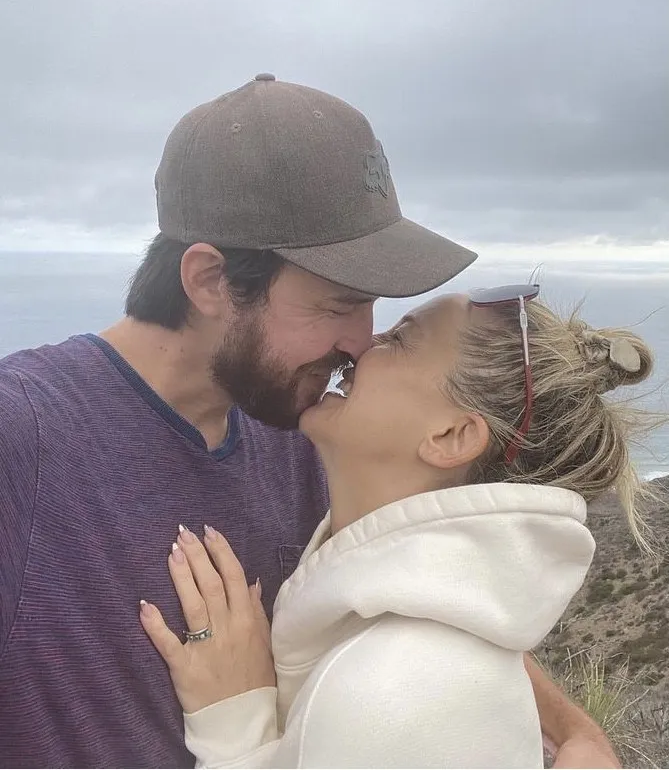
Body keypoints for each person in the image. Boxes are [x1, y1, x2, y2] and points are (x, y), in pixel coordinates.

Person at [0, 74, 615, 768]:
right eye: (336, 305)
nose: (361, 342)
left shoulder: (299, 426)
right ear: (210, 282)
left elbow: (417, 596)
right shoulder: (24, 439)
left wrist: (575, 732)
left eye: (373, 306)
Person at [141, 284, 655, 767]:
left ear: (451, 436)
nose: (363, 345)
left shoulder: (391, 691)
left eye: (402, 338)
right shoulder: (417, 643)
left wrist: (234, 729)